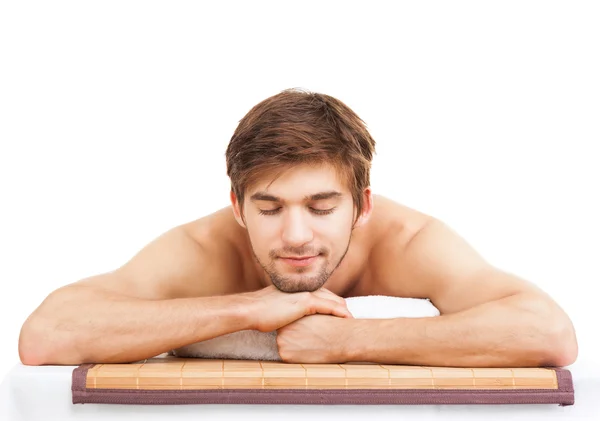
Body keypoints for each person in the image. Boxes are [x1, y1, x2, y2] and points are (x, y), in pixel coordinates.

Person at [18, 88, 578, 368]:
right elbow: (48, 334)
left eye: (320, 206)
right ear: (237, 206)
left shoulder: (410, 241)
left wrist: (348, 341)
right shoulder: (203, 247)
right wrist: (246, 309)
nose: (294, 236)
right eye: (268, 208)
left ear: (361, 205)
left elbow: (546, 331)